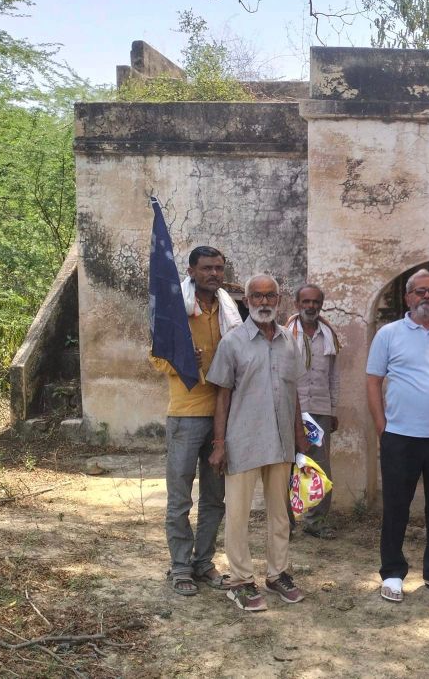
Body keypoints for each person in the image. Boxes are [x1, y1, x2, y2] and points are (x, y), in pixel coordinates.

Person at [366, 269, 429, 603]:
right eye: (420, 291)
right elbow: (373, 381)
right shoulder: (388, 334)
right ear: (408, 297)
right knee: (396, 507)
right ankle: (393, 573)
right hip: (400, 437)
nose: (427, 296)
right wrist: (382, 427)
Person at [206, 274, 309, 611]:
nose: (264, 302)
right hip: (243, 441)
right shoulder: (232, 342)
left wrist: (299, 434)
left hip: (280, 442)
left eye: (270, 296)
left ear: (279, 299)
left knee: (280, 515)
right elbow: (222, 396)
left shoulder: (289, 341)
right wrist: (219, 444)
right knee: (238, 515)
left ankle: (278, 574)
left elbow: (294, 392)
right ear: (247, 300)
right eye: (257, 296)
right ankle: (240, 581)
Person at [150, 245, 242, 597]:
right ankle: (180, 566)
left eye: (218, 268)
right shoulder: (177, 310)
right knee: (180, 499)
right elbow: (156, 357)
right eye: (206, 268)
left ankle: (203, 562)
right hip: (186, 414)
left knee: (216, 497)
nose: (214, 274)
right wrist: (184, 361)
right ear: (191, 271)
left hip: (223, 415)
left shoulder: (229, 309)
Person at [286, 284, 341, 539]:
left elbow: (333, 376)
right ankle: (286, 523)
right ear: (297, 304)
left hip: (319, 411)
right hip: (289, 411)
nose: (311, 306)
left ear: (321, 304)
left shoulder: (328, 335)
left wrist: (333, 409)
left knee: (320, 468)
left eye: (315, 302)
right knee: (287, 467)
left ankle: (316, 522)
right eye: (306, 301)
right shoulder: (285, 334)